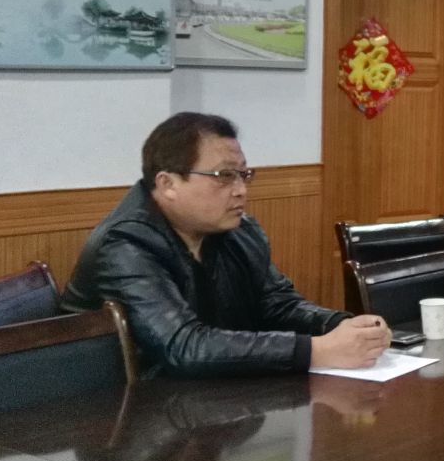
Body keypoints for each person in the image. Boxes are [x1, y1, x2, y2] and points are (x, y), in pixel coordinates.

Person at [63, 113, 389, 378]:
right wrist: (317, 350)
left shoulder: (238, 231)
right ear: (168, 184)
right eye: (224, 176)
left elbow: (277, 304)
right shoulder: (126, 243)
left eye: (244, 175)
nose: (240, 190)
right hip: (112, 416)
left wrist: (341, 326)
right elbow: (183, 346)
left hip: (205, 401)